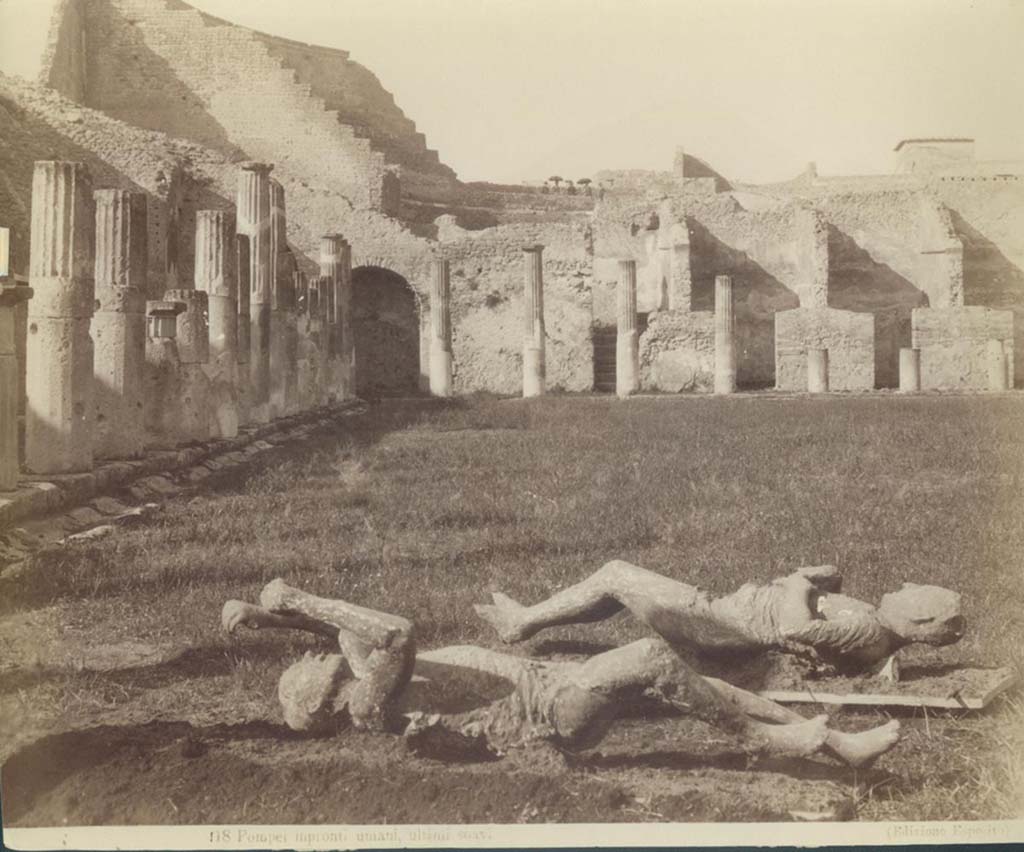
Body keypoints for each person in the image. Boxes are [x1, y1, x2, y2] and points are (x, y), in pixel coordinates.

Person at [221, 579, 901, 767]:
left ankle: (834, 744)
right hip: (551, 717)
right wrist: (300, 597)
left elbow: (344, 632)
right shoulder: (369, 703)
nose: (314, 655)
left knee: (709, 689)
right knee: (651, 658)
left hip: (552, 683)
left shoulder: (361, 678)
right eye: (308, 665)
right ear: (323, 695)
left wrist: (264, 615)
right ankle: (771, 741)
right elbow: (393, 630)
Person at [473, 562, 965, 673]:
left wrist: (801, 582)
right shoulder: (874, 628)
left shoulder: (869, 629)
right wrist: (826, 585)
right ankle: (530, 619)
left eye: (915, 593)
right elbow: (820, 634)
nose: (904, 585)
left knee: (616, 574)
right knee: (620, 586)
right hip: (722, 614)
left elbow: (796, 629)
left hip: (716, 625)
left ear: (922, 623)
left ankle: (522, 623)